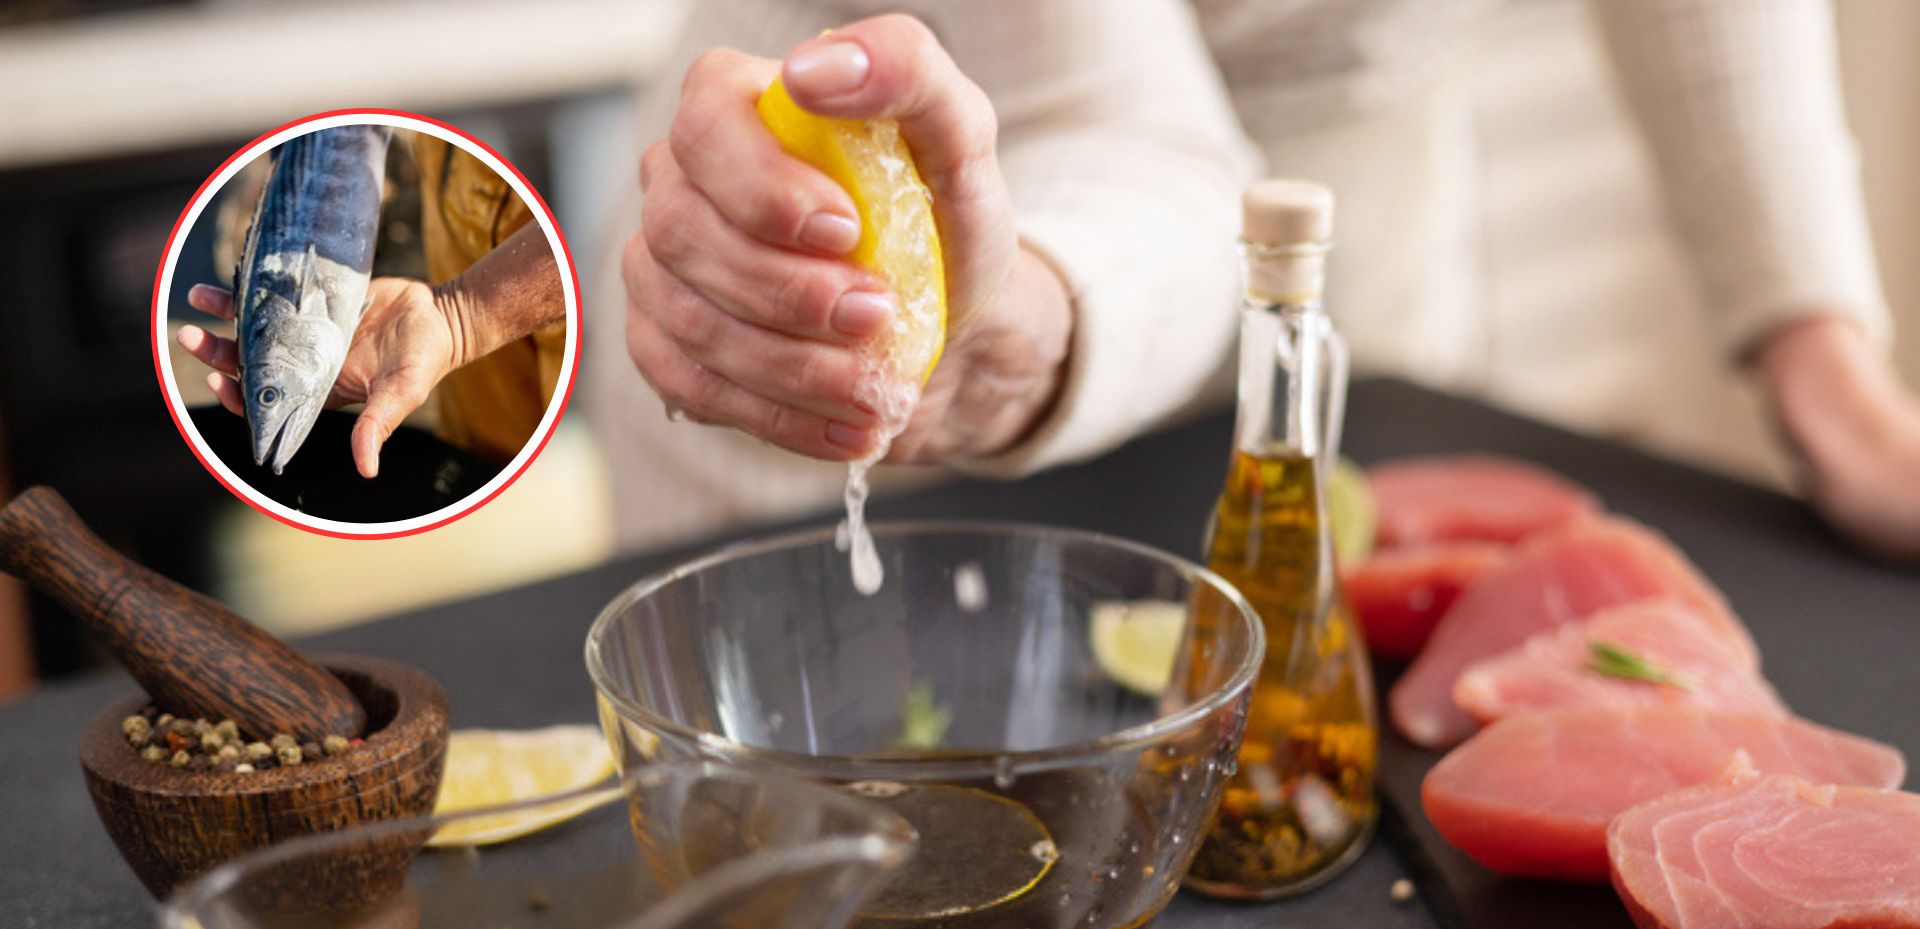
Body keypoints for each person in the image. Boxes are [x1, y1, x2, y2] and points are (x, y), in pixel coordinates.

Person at [602, 0, 1920, 560]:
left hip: (1357, 248)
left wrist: (1824, 359)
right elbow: (1120, 120)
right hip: (864, 247)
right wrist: (1002, 340)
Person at [179, 132, 568, 479]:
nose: (273, 406)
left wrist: (460, 318)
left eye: (270, 395)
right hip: (463, 195)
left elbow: (585, 239)